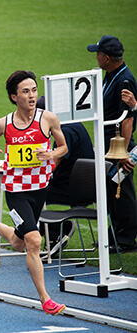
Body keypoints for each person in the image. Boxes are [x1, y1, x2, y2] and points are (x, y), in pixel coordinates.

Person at [0, 70, 68, 316]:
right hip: (16, 191)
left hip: (40, 189)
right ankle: (46, 299)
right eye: (25, 91)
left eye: (34, 90)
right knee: (35, 241)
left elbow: (63, 147)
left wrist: (52, 154)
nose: (31, 96)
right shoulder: (3, 124)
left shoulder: (48, 119)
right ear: (13, 97)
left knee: (19, 243)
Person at [87, 35, 137, 253]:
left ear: (106, 58)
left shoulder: (125, 80)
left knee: (122, 191)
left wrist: (123, 152)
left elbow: (127, 118)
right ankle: (115, 234)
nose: (95, 56)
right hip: (109, 145)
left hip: (118, 147)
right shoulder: (110, 75)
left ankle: (126, 239)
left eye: (98, 53)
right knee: (111, 190)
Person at [36, 96, 95, 256]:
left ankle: (57, 231)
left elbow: (52, 165)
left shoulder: (65, 131)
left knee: (29, 193)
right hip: (83, 185)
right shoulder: (71, 124)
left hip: (75, 190)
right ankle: (47, 232)